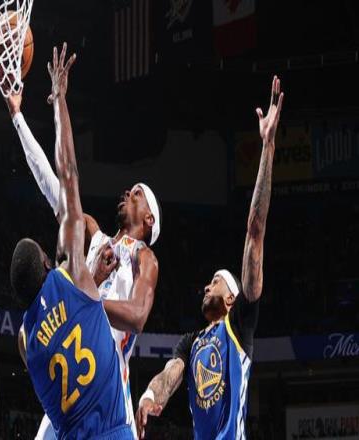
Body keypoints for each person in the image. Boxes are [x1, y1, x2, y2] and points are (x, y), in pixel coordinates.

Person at [7, 48, 161, 440]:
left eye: (137, 194)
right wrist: (18, 118)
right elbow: (56, 184)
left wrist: (85, 300)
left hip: (108, 383)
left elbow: (138, 316)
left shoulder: (145, 257)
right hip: (73, 381)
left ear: (149, 220)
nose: (128, 192)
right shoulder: (94, 235)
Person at [135, 76, 284, 439]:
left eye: (215, 281)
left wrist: (267, 146)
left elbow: (255, 229)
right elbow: (170, 374)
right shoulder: (190, 342)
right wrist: (152, 395)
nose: (206, 286)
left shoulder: (240, 323)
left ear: (232, 297)